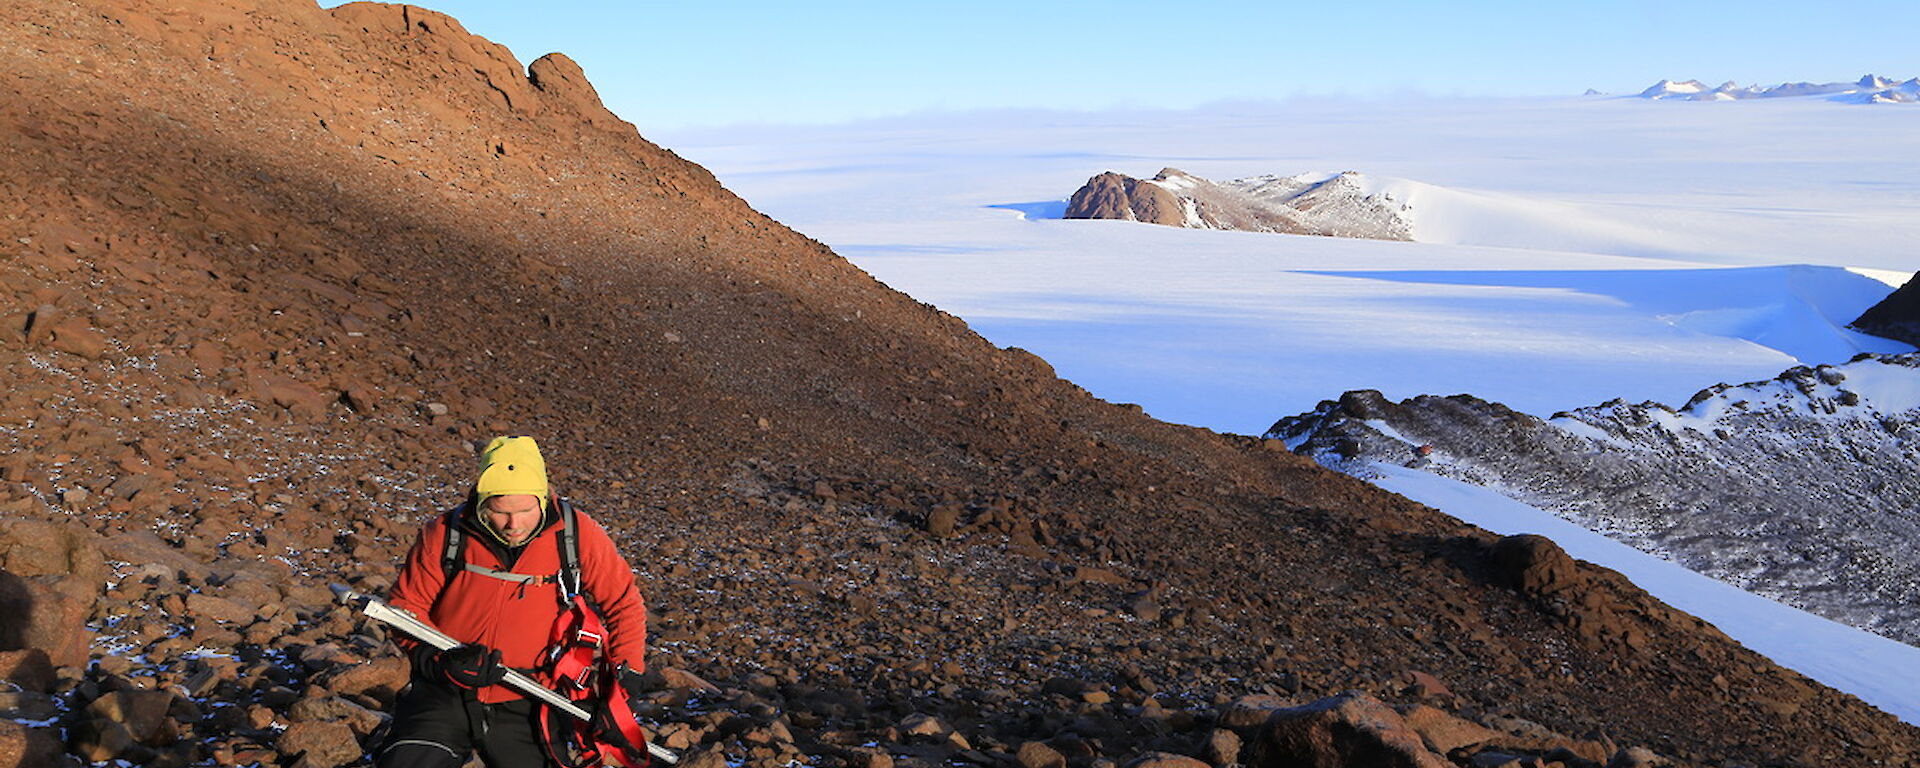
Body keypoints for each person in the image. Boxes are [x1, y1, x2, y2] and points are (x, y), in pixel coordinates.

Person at [377, 436, 649, 768]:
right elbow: (405, 608)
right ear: (480, 500)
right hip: (443, 693)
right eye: (500, 511)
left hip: (532, 698)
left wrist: (624, 681)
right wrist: (439, 661)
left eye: (525, 511)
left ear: (543, 498)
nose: (513, 525)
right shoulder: (446, 534)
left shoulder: (577, 535)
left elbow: (624, 604)